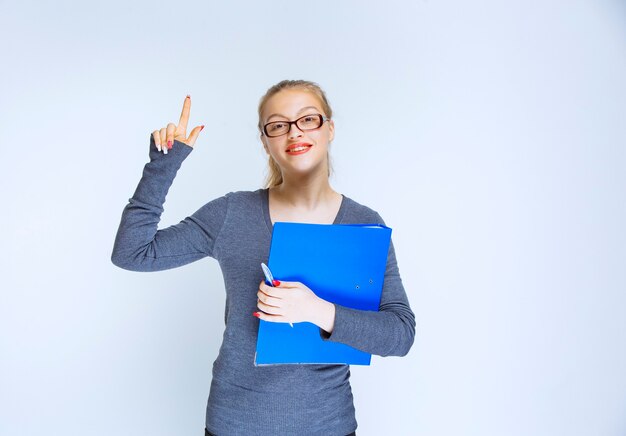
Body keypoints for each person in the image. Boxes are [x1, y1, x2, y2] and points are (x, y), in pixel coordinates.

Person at [111, 80, 415, 435]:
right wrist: (162, 167)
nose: (293, 132)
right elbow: (132, 253)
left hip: (328, 425)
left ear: (329, 128)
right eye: (278, 125)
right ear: (265, 141)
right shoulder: (232, 213)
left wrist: (316, 310)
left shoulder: (364, 224)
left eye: (307, 120)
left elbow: (400, 335)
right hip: (235, 424)